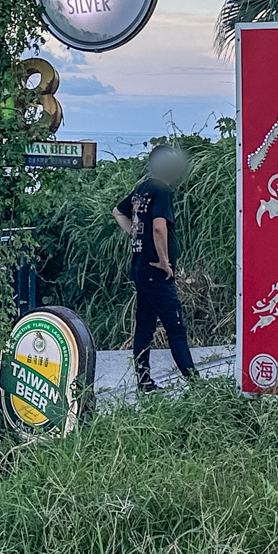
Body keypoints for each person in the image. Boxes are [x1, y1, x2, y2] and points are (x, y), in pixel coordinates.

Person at [112, 144, 199, 392]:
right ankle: (196, 383)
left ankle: (144, 381)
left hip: (140, 268)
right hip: (156, 272)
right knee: (176, 327)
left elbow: (118, 212)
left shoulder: (142, 189)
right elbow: (160, 227)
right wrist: (164, 261)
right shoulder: (162, 191)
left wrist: (135, 233)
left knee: (146, 325)